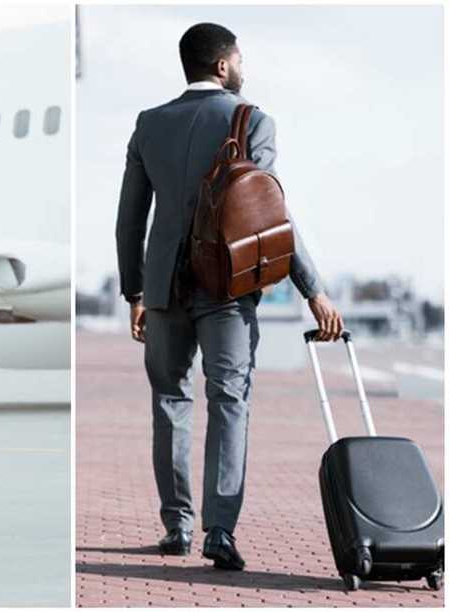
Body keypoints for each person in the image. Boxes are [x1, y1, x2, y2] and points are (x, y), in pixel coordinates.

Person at [114, 22, 344, 569]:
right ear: (222, 65)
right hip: (227, 286)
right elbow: (271, 217)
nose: (243, 67)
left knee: (170, 401)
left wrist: (135, 291)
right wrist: (313, 290)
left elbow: (129, 220)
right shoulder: (250, 120)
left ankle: (177, 526)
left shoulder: (149, 124)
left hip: (165, 286)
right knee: (229, 401)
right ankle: (220, 530)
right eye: (239, 58)